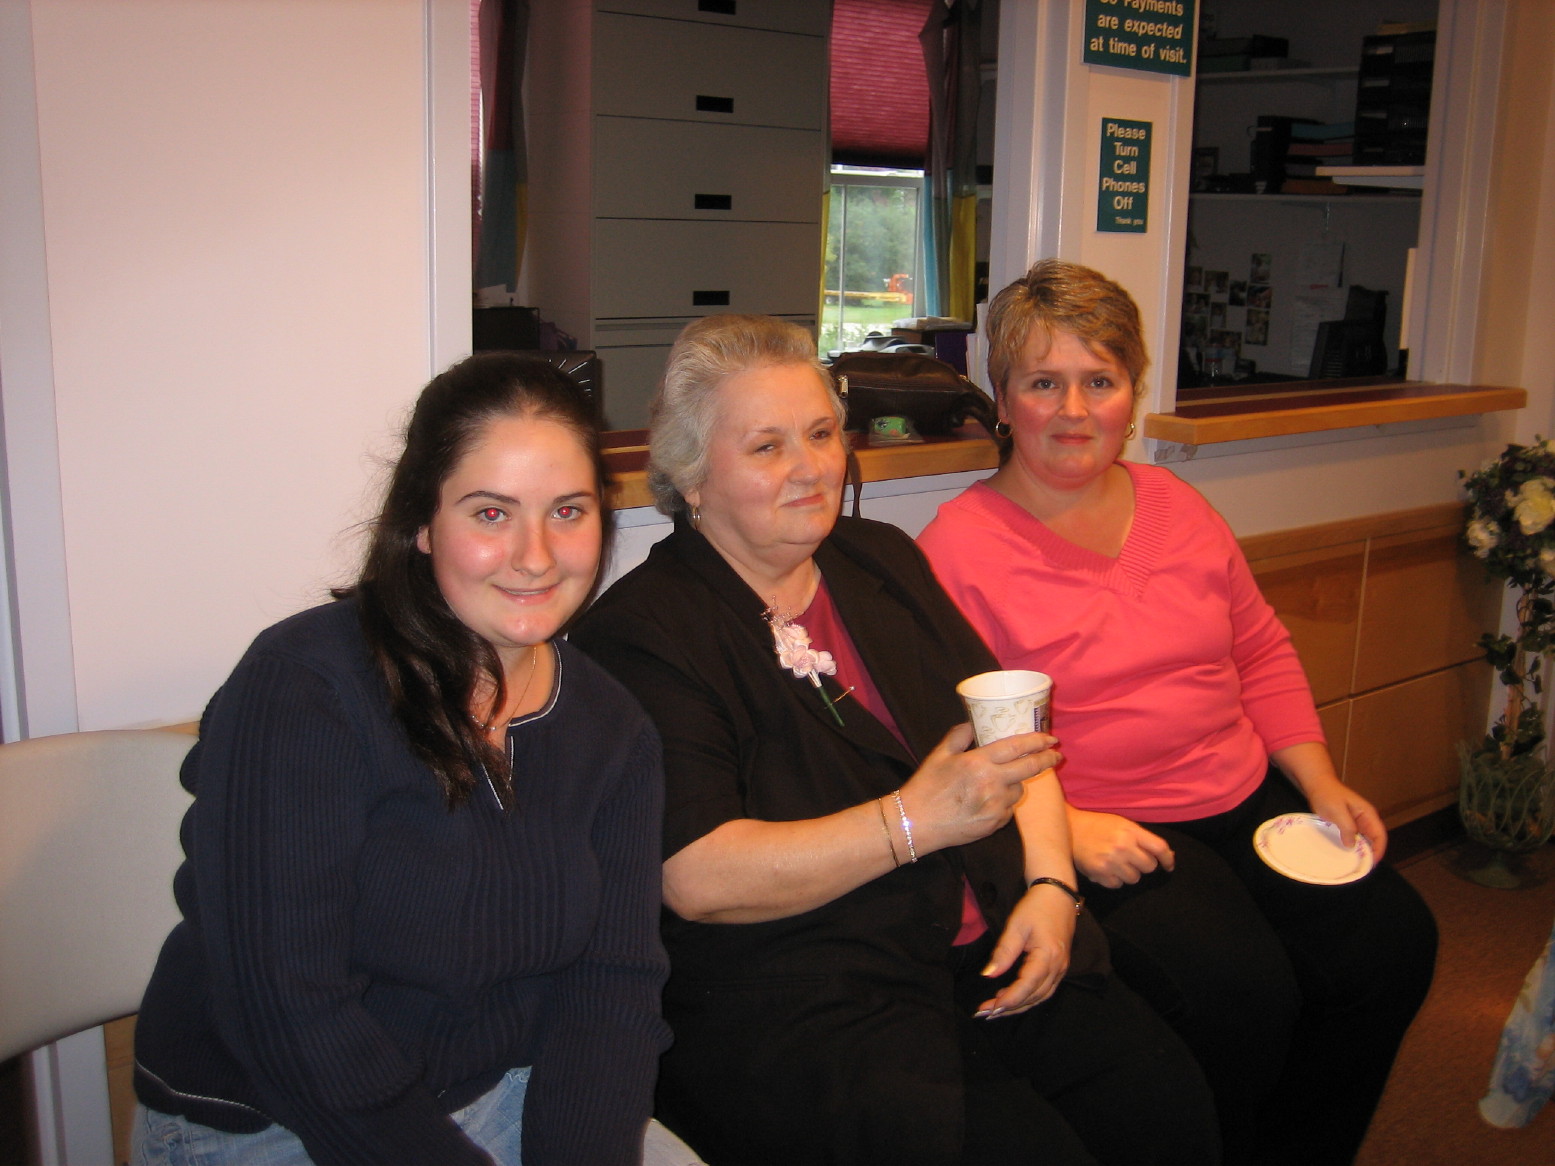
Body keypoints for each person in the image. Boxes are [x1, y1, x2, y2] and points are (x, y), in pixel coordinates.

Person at [572, 314, 1219, 1166]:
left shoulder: (877, 559)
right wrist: (912, 821)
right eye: (766, 447)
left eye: (821, 434)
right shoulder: (643, 635)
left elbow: (1011, 735)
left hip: (988, 929)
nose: (811, 467)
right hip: (811, 991)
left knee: (1168, 1113)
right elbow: (695, 878)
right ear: (691, 475)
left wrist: (1051, 888)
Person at [917, 259, 1439, 1166]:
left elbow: (1260, 651)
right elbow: (963, 745)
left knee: (1390, 944)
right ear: (1001, 400)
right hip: (1114, 829)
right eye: (1042, 383)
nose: (1073, 410)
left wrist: (1319, 781)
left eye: (1099, 381)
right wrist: (1068, 828)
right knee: (1241, 996)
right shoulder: (956, 551)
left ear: (1131, 394)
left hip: (1244, 797)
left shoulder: (1176, 504)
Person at [131, 355, 672, 1165]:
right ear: (421, 522)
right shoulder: (304, 690)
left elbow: (612, 987)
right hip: (277, 1118)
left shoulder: (612, 728)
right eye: (490, 513)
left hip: (495, 1087)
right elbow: (287, 1012)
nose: (535, 556)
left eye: (567, 510)